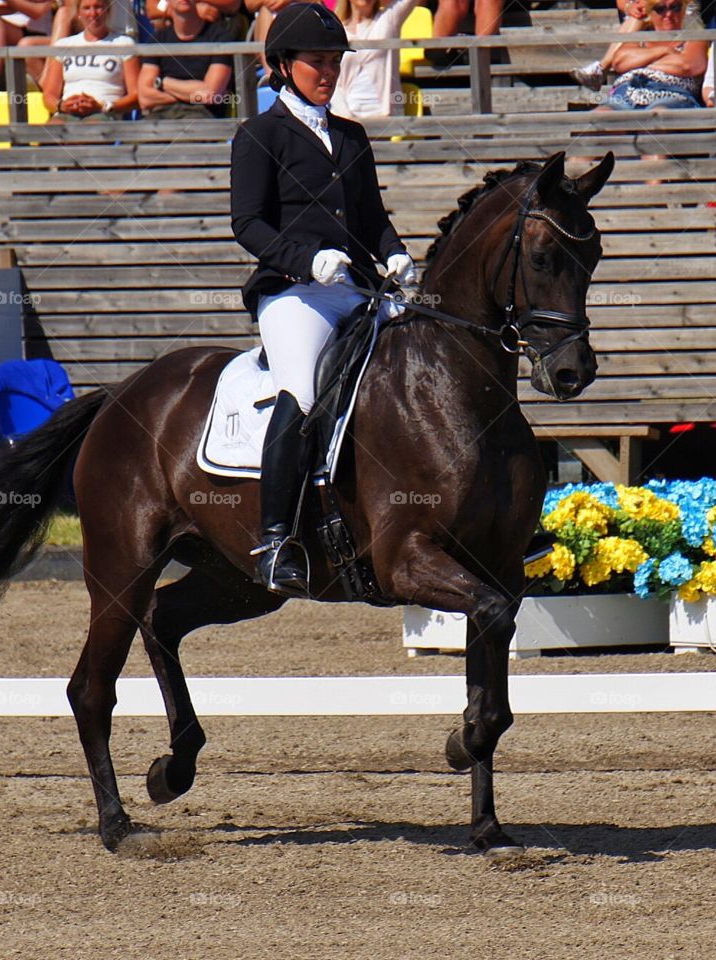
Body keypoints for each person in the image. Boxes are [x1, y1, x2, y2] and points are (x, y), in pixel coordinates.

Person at [229, 2, 415, 596]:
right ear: (282, 64)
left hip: (358, 288)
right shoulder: (259, 135)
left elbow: (373, 218)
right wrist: (305, 260)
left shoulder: (352, 136)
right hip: (294, 295)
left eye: (335, 61)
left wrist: (396, 253)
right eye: (317, 62)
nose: (329, 71)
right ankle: (276, 538)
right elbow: (248, 224)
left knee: (430, 365)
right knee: (303, 392)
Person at [597, 0, 709, 110]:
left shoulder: (693, 38)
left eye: (675, 7)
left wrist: (640, 61)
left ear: (684, 9)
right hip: (627, 90)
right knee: (601, 114)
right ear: (650, 12)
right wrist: (664, 51)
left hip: (672, 94)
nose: (669, 14)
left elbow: (687, 65)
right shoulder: (640, 38)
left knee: (658, 116)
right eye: (660, 9)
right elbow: (619, 62)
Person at [41, 0, 139, 120]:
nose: (93, 13)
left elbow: (136, 95)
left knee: (90, 130)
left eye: (98, 7)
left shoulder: (123, 43)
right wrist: (62, 106)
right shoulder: (63, 45)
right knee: (51, 131)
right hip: (67, 113)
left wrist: (103, 106)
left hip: (104, 113)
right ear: (78, 13)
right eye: (86, 8)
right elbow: (48, 95)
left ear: (108, 10)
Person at [138, 0, 233, 118]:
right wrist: (191, 94)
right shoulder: (158, 40)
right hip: (160, 116)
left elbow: (210, 94)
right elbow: (144, 99)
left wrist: (163, 83)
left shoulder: (219, 38)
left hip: (201, 116)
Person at [331, 0, 419, 119]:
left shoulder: (389, 18)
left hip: (385, 117)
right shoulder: (336, 29)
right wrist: (345, 117)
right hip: (347, 119)